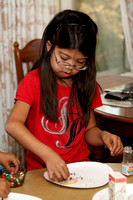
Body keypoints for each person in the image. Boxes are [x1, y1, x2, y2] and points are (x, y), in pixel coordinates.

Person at [5, 9, 123, 182]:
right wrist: (48, 155)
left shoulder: (85, 84)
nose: (70, 67)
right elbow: (13, 125)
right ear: (49, 47)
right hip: (42, 171)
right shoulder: (33, 82)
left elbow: (89, 130)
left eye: (79, 63)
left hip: (81, 169)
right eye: (64, 58)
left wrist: (103, 136)